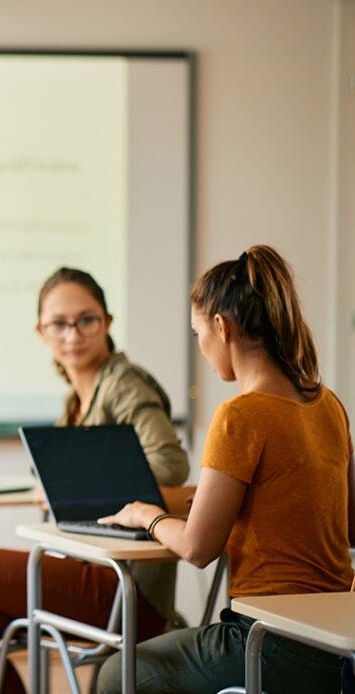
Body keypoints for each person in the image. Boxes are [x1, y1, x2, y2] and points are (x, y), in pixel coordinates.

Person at [0, 267, 189, 694]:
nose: (72, 334)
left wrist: (76, 487)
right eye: (59, 324)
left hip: (126, 589)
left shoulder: (124, 385)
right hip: (88, 570)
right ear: (41, 332)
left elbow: (169, 466)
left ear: (107, 323)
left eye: (86, 320)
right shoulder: (75, 401)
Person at [96, 245, 355, 693]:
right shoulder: (327, 404)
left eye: (198, 333)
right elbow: (347, 527)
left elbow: (198, 549)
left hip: (269, 641)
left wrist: (147, 517)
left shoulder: (240, 415)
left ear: (221, 326)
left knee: (118, 673)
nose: (200, 346)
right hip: (335, 648)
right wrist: (244, 509)